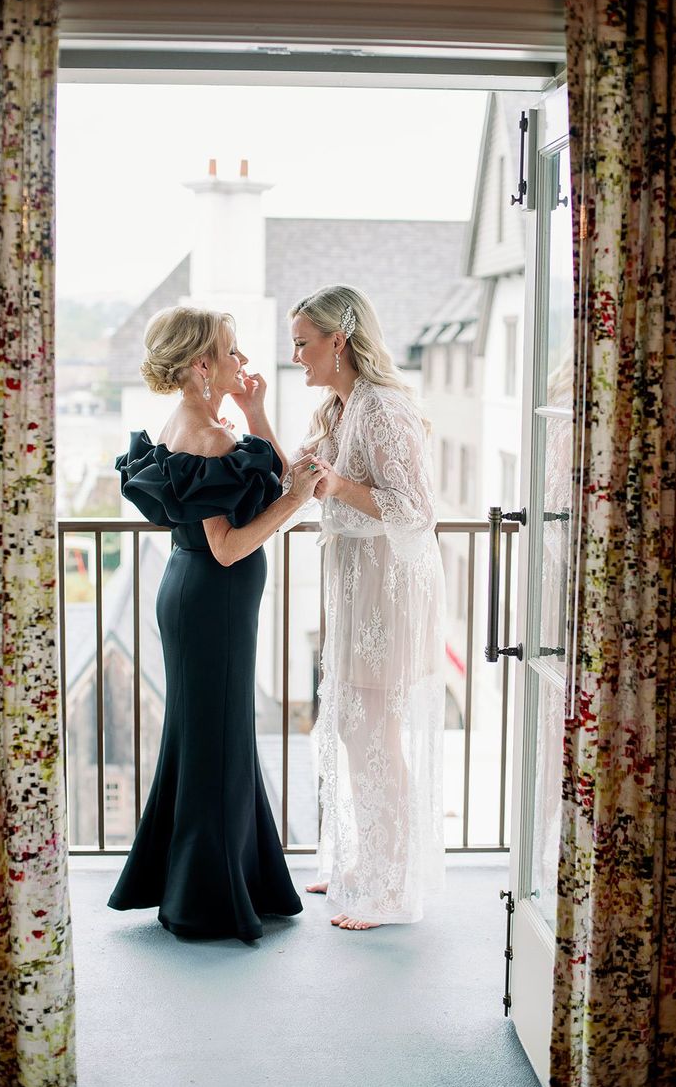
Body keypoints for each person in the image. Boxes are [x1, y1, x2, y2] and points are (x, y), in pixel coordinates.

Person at [108, 305, 323, 940]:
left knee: (209, 740)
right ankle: (205, 899)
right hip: (213, 600)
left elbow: (280, 474)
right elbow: (231, 543)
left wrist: (257, 417)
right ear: (202, 363)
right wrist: (293, 503)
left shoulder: (200, 422)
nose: (243, 362)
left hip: (197, 596)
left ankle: (230, 879)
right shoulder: (209, 438)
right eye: (232, 352)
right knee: (219, 743)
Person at [288, 285, 445, 931]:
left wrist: (340, 485)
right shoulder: (339, 407)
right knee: (354, 728)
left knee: (375, 733)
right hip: (356, 588)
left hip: (389, 591)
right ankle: (365, 861)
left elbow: (415, 509)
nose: (296, 355)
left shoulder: (382, 407)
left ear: (337, 340)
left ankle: (393, 884)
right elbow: (302, 477)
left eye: (302, 343)